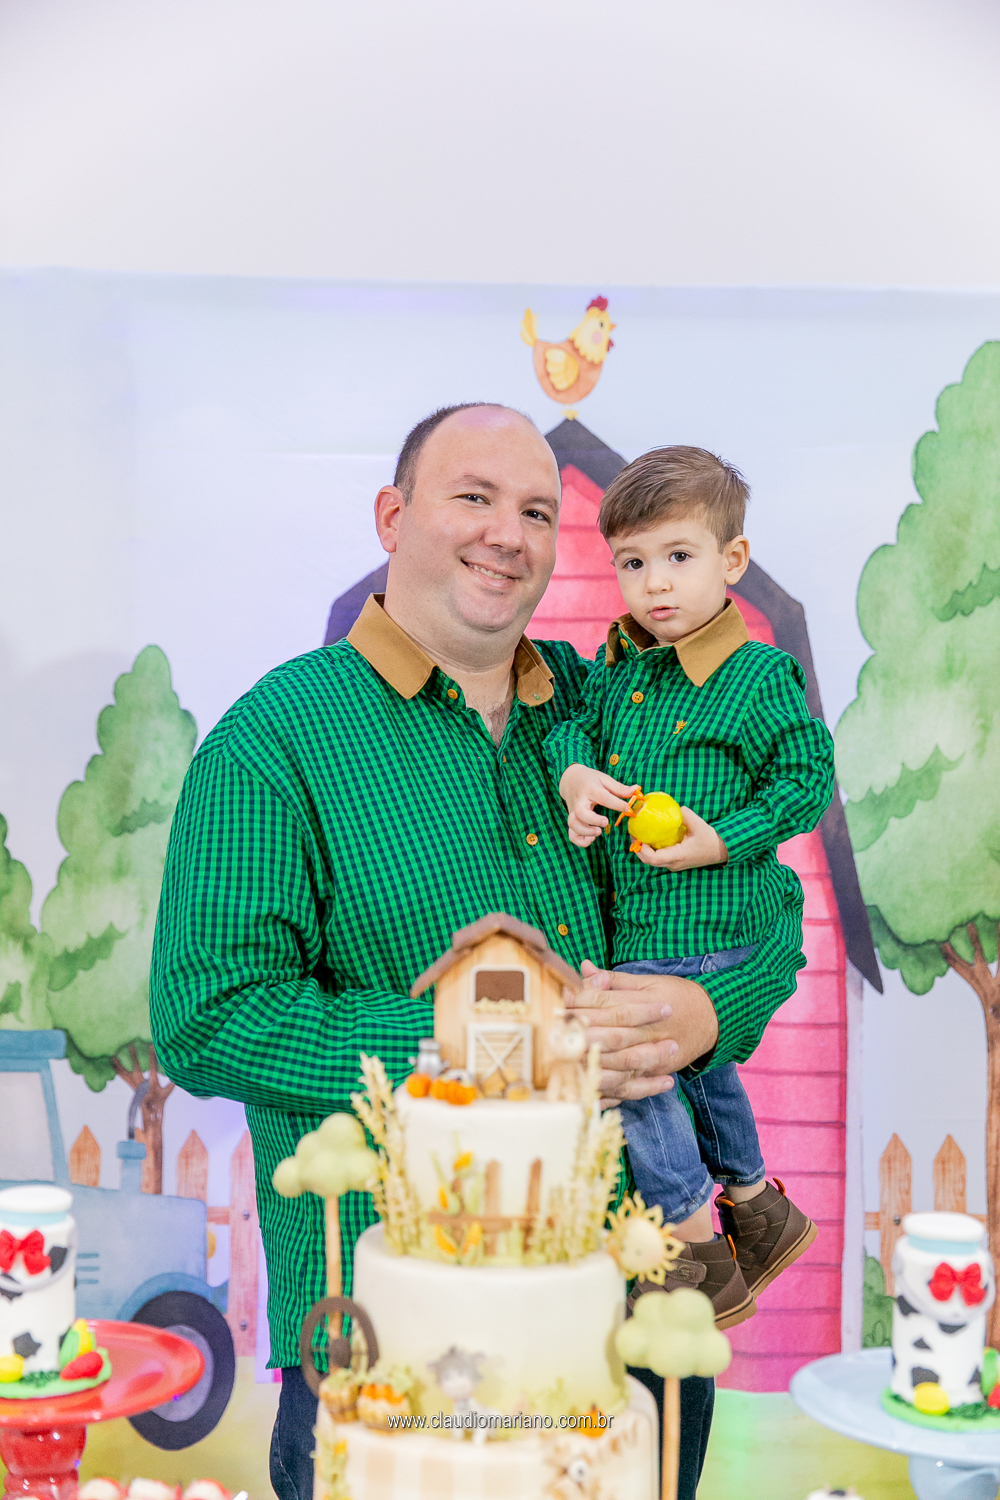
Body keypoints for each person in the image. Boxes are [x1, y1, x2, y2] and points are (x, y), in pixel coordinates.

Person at [149, 405, 809, 1500]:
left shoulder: (616, 709)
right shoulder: (276, 738)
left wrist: (706, 1014)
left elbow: (768, 906)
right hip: (395, 1342)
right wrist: (496, 1047)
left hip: (637, 1316)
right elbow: (209, 1016)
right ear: (391, 517)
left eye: (538, 512)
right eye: (474, 498)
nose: (509, 533)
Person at [547, 445, 835, 1328]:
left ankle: (689, 1245)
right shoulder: (620, 675)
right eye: (632, 564)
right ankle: (756, 1204)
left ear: (731, 560)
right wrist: (574, 778)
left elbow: (806, 780)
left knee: (638, 1077)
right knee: (704, 1071)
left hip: (712, 923)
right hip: (641, 927)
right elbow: (572, 727)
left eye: (679, 556)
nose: (655, 584)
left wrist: (723, 840)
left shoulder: (758, 678)